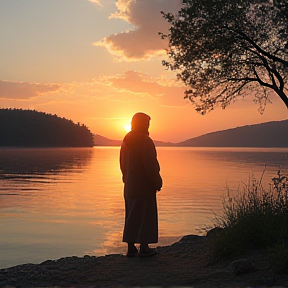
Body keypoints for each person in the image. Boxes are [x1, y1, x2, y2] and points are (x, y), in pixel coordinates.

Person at [120, 112, 163, 257]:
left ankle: (131, 247)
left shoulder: (126, 141)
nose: (148, 126)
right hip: (144, 185)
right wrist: (157, 181)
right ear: (142, 124)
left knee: (131, 215)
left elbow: (122, 163)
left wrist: (126, 178)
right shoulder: (146, 141)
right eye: (147, 123)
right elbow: (150, 164)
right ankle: (144, 247)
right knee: (145, 216)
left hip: (130, 185)